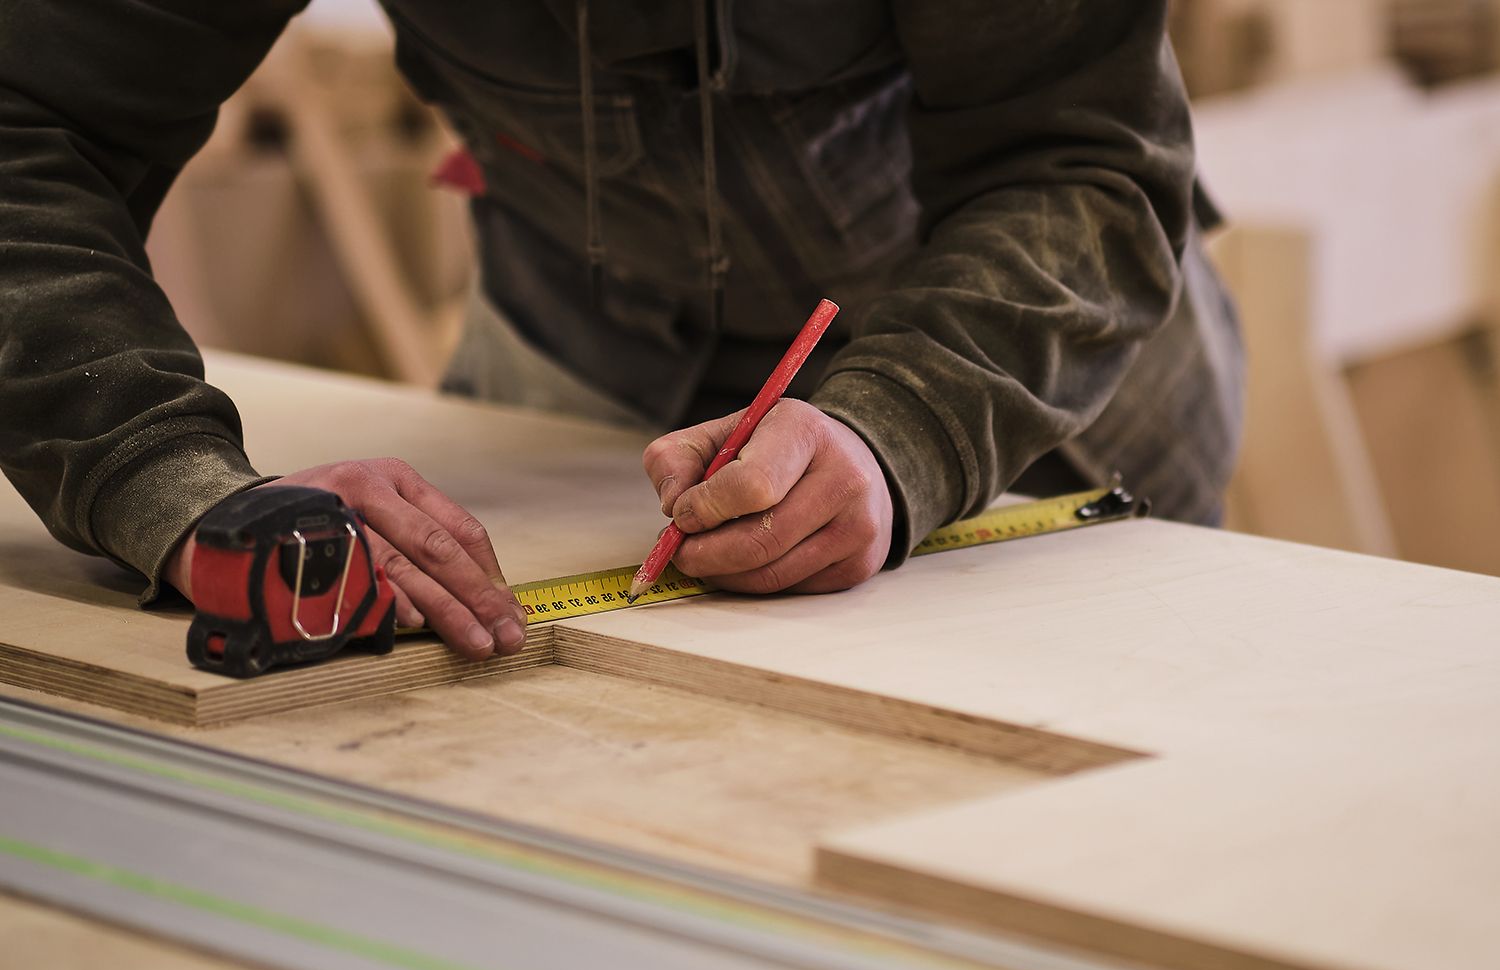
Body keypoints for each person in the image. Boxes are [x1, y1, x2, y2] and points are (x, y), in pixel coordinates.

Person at [0, 2, 1242, 662]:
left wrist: (899, 430)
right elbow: (23, 128)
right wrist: (173, 485)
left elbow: (1082, 166)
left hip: (1016, 362)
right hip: (570, 354)